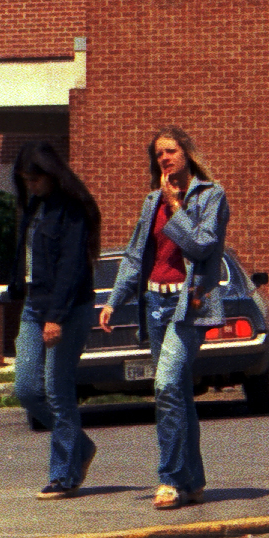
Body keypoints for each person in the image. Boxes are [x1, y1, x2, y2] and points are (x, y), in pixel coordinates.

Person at [105, 125, 232, 509]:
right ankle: (193, 481)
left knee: (164, 387)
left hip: (188, 306)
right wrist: (116, 298)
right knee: (175, 393)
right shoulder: (150, 202)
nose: (164, 158)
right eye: (158, 153)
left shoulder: (211, 196)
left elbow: (203, 245)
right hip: (155, 305)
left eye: (171, 151)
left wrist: (176, 208)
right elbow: (134, 255)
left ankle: (170, 480)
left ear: (187, 154)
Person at [12, 139, 104, 498]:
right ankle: (80, 446)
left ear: (51, 175)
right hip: (34, 306)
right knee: (27, 390)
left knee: (57, 392)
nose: (31, 186)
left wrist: (57, 317)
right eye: (25, 180)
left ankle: (64, 475)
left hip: (66, 309)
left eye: (35, 179)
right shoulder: (34, 208)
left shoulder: (72, 210)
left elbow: (72, 266)